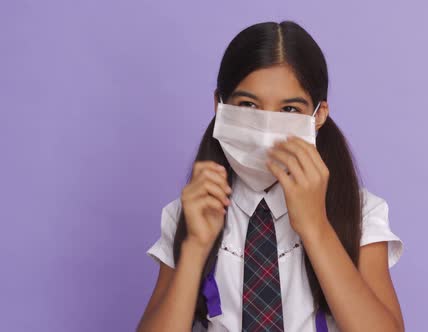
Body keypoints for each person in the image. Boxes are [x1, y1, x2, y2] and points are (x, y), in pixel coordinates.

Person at [137, 20, 405, 332]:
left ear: (318, 115)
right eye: (248, 105)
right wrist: (195, 248)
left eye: (289, 110)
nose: (266, 130)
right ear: (219, 106)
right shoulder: (190, 211)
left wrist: (316, 227)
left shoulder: (359, 213)